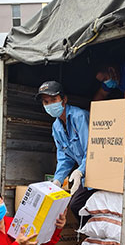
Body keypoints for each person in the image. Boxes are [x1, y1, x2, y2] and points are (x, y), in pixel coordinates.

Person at [36, 81, 94, 224]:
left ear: (64, 99)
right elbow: (64, 157)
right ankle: (90, 236)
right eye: (45, 102)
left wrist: (80, 171)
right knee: (75, 205)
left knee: (78, 204)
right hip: (85, 174)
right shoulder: (56, 126)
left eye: (53, 100)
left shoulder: (79, 116)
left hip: (95, 170)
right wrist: (58, 180)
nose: (50, 105)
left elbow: (92, 150)